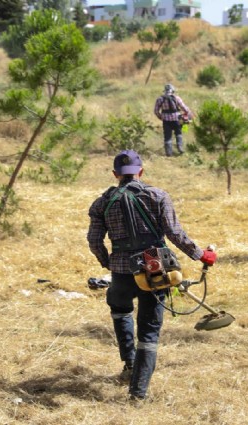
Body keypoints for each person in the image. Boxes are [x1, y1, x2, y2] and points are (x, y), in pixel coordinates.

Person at [87, 149, 216, 401]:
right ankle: (138, 393)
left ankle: (130, 363)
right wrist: (202, 255)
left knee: (121, 311)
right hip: (155, 272)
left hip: (122, 274)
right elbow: (175, 234)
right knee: (148, 331)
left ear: (115, 174)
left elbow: (94, 241)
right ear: (141, 171)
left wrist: (110, 263)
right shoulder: (157, 196)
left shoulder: (102, 202)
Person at [154, 84, 192, 157]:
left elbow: (156, 111)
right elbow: (184, 108)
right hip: (176, 119)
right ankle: (180, 147)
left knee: (167, 136)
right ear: (173, 91)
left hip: (166, 121)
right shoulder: (177, 98)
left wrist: (161, 117)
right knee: (178, 133)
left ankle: (169, 153)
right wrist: (187, 114)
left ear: (165, 91)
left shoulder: (160, 99)